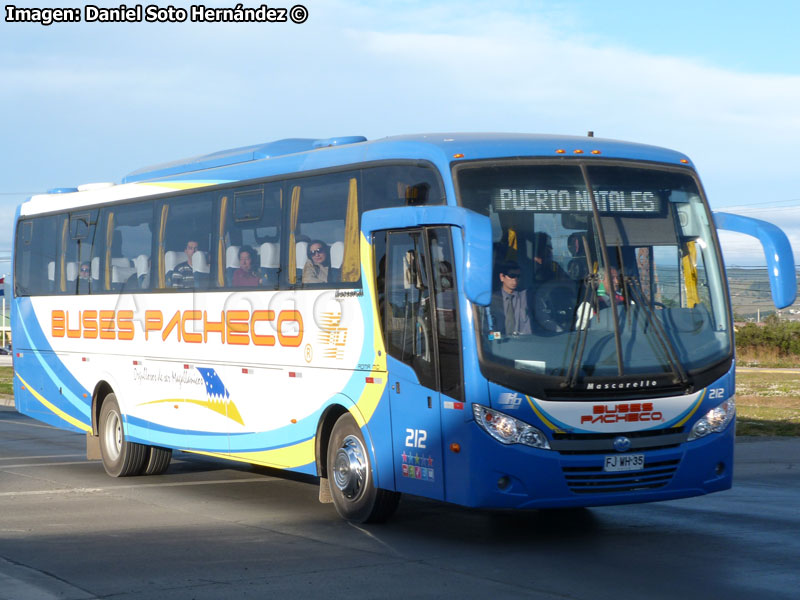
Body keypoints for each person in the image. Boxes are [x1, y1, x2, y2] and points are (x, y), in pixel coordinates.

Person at [490, 261, 532, 335]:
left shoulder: (526, 297)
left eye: (518, 276)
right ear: (502, 277)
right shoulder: (492, 300)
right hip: (502, 343)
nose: (515, 280)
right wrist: (495, 338)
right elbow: (489, 333)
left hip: (525, 342)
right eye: (511, 276)